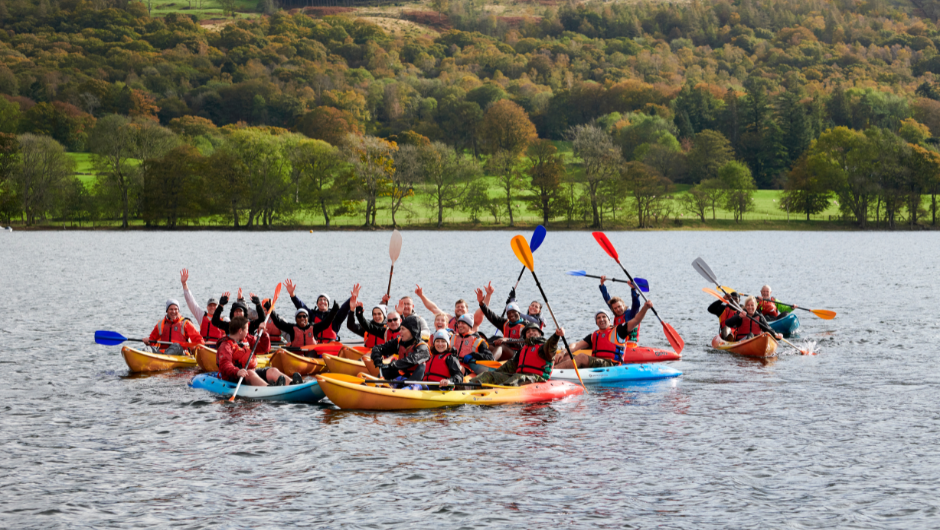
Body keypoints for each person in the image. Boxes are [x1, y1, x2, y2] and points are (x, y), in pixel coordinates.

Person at [554, 302, 653, 369]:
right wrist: (563, 352)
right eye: (598, 318)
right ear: (596, 322)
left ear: (609, 320)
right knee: (567, 356)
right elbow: (576, 345)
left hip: (611, 365)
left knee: (581, 357)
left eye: (604, 317)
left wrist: (645, 308)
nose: (601, 319)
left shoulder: (619, 330)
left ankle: (552, 371)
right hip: (597, 364)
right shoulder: (594, 335)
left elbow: (636, 320)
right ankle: (549, 368)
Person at [216, 316, 301, 387]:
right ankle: (269, 389)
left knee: (272, 370)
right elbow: (225, 364)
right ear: (240, 330)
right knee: (249, 373)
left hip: (250, 373)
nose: (247, 331)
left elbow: (264, 349)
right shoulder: (225, 345)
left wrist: (264, 334)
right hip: (235, 376)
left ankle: (293, 384)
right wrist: (237, 371)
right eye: (246, 329)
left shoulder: (248, 338)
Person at [470, 323, 563, 386]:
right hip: (519, 377)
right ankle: (467, 387)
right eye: (528, 332)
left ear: (540, 333)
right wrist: (493, 374)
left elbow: (552, 345)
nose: (531, 333)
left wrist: (556, 335)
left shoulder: (544, 347)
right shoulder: (524, 349)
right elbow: (509, 366)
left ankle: (498, 392)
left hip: (537, 379)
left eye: (534, 331)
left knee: (517, 377)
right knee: (488, 375)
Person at [369, 315, 429, 388]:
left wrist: (391, 365)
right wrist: (377, 357)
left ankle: (407, 389)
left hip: (417, 380)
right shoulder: (399, 342)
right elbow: (379, 348)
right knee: (385, 372)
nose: (400, 331)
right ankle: (381, 388)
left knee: (421, 366)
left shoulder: (422, 347)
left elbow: (411, 360)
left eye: (402, 329)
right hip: (403, 375)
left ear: (412, 330)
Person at [285, 279, 347, 343]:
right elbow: (301, 306)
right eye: (320, 300)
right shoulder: (312, 315)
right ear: (317, 304)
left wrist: (352, 298)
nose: (322, 301)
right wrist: (292, 295)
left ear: (328, 304)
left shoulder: (335, 316)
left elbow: (345, 309)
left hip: (330, 347)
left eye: (325, 300)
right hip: (316, 347)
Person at [476, 287, 527, 361]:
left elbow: (523, 343)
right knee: (484, 345)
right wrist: (481, 303)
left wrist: (507, 339)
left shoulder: (526, 326)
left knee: (501, 346)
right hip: (505, 352)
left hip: (517, 355)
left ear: (518, 313)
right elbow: (491, 316)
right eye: (508, 313)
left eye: (513, 312)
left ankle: (490, 362)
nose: (511, 315)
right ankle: (477, 360)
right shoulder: (505, 323)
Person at [180, 268, 225, 343]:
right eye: (210, 306)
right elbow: (191, 302)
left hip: (218, 348)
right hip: (204, 347)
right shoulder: (201, 316)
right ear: (207, 307)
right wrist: (184, 284)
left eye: (214, 306)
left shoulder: (224, 320)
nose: (212, 307)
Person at [269, 303, 337, 349]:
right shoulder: (292, 328)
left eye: (304, 316)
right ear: (296, 319)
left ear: (307, 318)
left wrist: (333, 311)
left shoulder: (314, 328)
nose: (302, 318)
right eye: (299, 316)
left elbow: (325, 323)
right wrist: (271, 311)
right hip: (296, 355)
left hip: (311, 357)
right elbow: (279, 323)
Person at [600, 275, 642, 341]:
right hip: (618, 344)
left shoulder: (631, 314)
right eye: (615, 308)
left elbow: (636, 304)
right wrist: (602, 284)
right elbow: (606, 298)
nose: (618, 310)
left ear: (623, 305)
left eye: (619, 306)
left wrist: (633, 289)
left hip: (630, 344)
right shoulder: (616, 313)